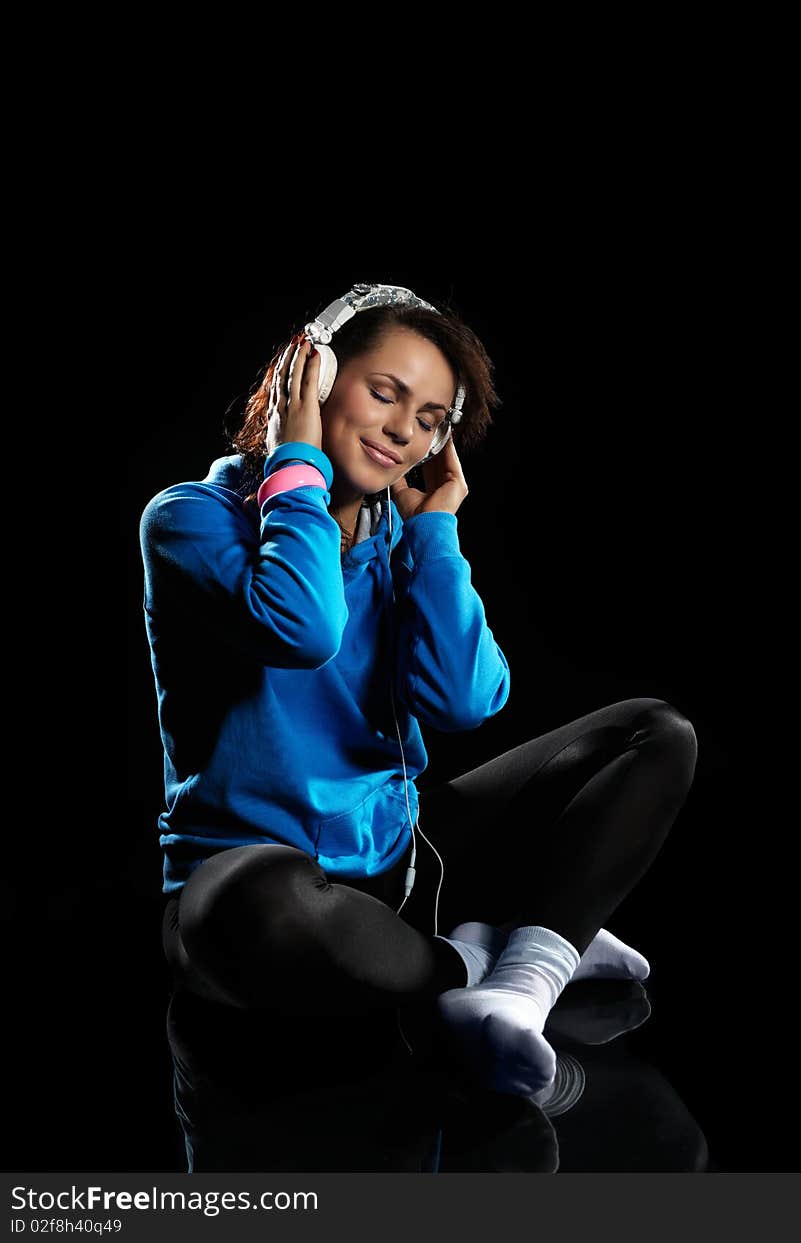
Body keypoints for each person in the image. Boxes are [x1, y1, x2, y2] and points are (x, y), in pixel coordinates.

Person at [139, 284, 698, 1100]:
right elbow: (302, 630)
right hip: (258, 886)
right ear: (315, 378)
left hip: (407, 869)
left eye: (433, 417)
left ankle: (522, 986)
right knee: (265, 902)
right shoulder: (189, 520)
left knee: (656, 734)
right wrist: (296, 462)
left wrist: (436, 530)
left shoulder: (400, 538)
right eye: (386, 393)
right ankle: (476, 956)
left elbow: (466, 700)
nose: (407, 431)